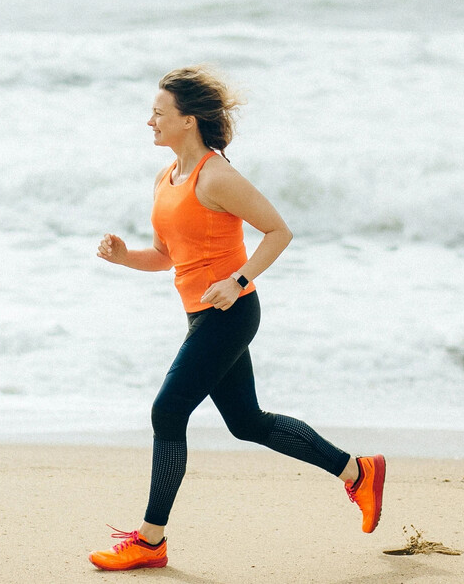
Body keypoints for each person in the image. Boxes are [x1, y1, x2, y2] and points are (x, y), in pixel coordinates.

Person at [88, 65, 385, 572]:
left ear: (189, 120)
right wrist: (123, 257)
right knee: (247, 423)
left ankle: (150, 541)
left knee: (167, 410)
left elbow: (278, 231)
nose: (149, 122)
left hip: (230, 313)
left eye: (158, 113)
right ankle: (357, 472)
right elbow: (166, 255)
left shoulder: (218, 175)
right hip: (201, 315)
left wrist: (239, 281)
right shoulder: (168, 177)